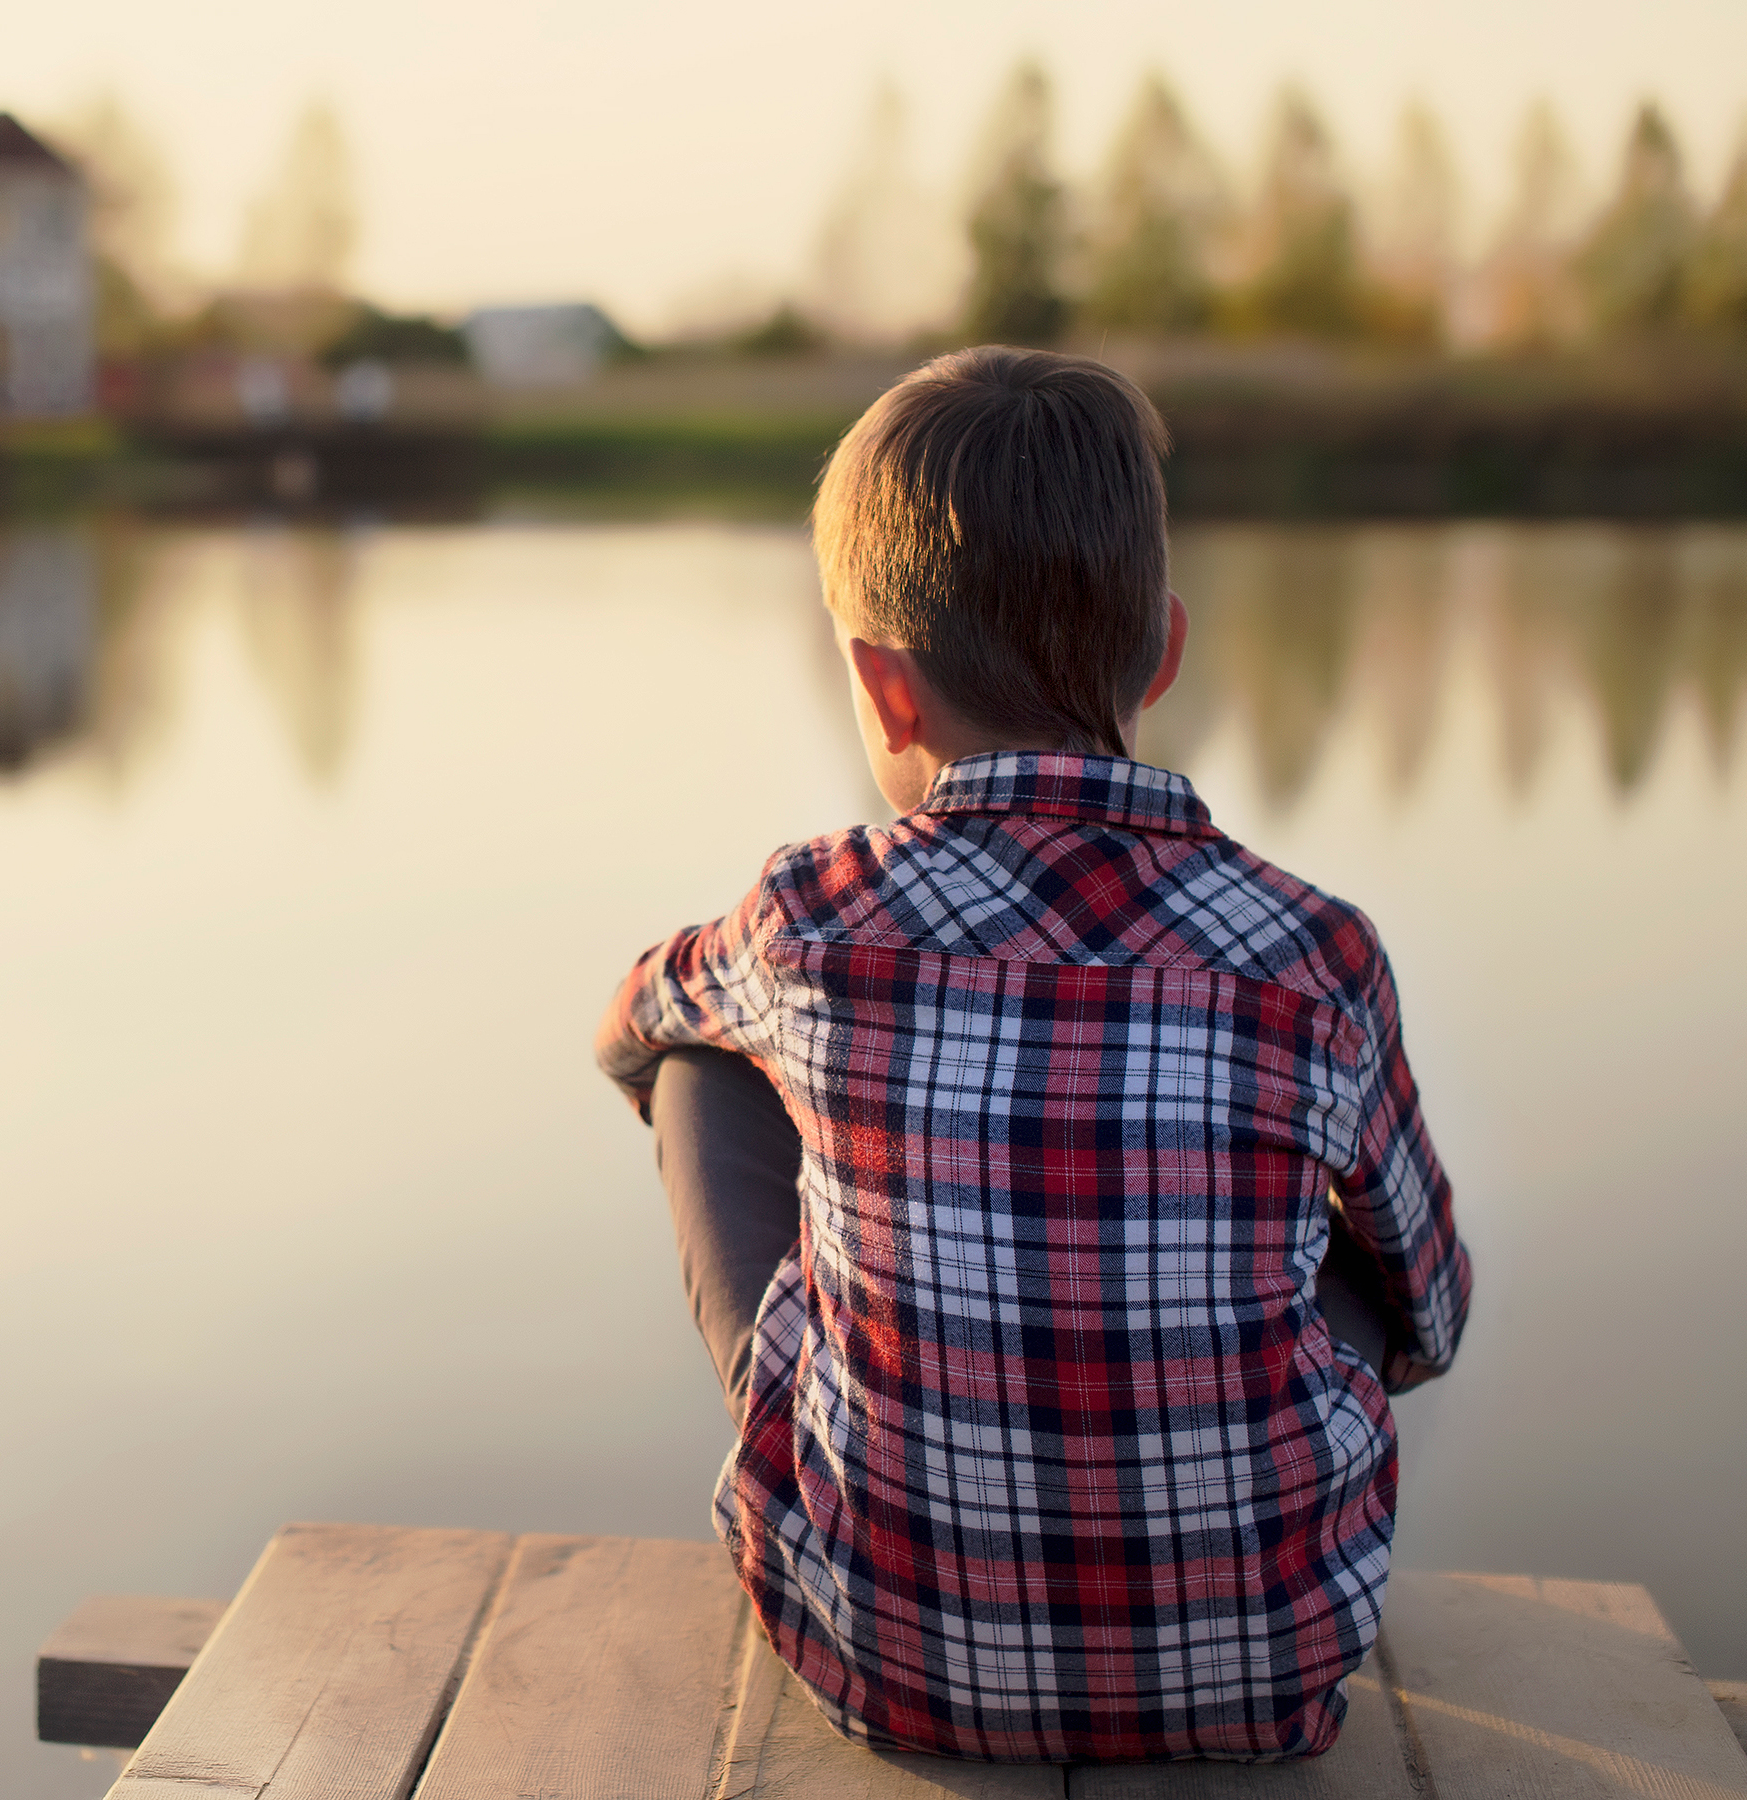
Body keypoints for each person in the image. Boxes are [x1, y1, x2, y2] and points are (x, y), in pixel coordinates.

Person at [594, 347, 1472, 1765]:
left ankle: (863, 1467)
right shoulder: (1316, 956)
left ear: (885, 693)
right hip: (1268, 1676)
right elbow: (1432, 1309)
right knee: (1355, 1225)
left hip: (880, 1660)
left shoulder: (808, 919)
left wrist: (809, 1152)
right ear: (1166, 652)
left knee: (701, 1064)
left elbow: (633, 1017)